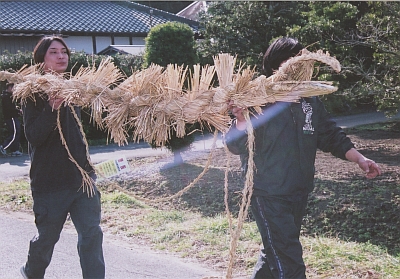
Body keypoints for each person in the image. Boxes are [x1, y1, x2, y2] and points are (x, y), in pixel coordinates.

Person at [225, 37, 381, 279]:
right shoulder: (258, 96)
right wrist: (241, 119)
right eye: (292, 59)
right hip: (267, 192)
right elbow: (236, 145)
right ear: (277, 63)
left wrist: (359, 159)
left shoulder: (309, 99)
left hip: (298, 190)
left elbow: (329, 134)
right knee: (290, 266)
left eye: (302, 59)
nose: (298, 65)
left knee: (274, 254)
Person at [20, 36, 105, 279]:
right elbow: (34, 136)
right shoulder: (32, 92)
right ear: (41, 59)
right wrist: (51, 107)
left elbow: (76, 134)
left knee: (91, 234)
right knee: (47, 239)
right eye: (53, 52)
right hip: (50, 182)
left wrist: (89, 170)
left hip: (82, 180)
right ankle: (31, 273)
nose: (61, 56)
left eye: (64, 51)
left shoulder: (74, 89)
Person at [0, 82, 23, 156]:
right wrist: (18, 111)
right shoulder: (6, 97)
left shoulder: (9, 96)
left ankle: (14, 150)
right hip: (11, 117)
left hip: (12, 116)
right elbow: (9, 109)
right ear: (9, 88)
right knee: (15, 133)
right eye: (13, 88)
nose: (14, 90)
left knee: (16, 132)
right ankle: (3, 146)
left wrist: (17, 111)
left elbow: (11, 107)